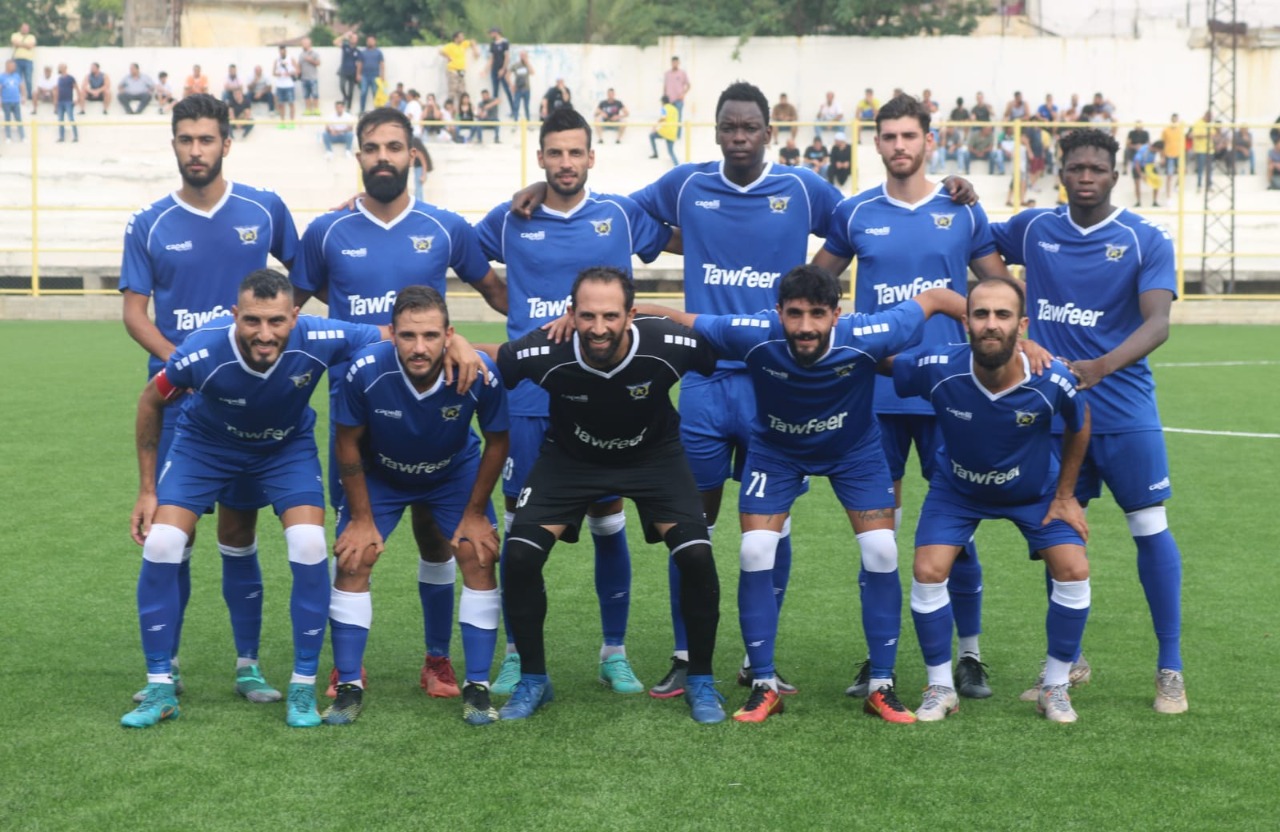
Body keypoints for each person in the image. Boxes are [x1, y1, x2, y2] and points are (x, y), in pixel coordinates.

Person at [641, 266, 964, 724]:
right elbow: (681, 318)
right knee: (755, 550)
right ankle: (763, 685)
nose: (805, 326)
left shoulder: (871, 333)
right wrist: (621, 312)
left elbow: (934, 296)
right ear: (778, 312)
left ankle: (881, 685)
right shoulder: (754, 334)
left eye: (817, 314)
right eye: (794, 314)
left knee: (882, 550)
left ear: (837, 313)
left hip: (854, 453)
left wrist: (994, 329)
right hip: (777, 453)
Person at [291, 110, 504, 685]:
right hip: (358, 422)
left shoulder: (445, 227)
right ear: (357, 155)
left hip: (433, 415)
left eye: (393, 146)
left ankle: (437, 660)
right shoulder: (326, 232)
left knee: (437, 542)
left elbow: (497, 292)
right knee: (352, 546)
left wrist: (474, 338)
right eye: (371, 147)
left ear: (414, 155)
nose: (382, 156)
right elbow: (288, 314)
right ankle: (345, 669)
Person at [813, 93, 1014, 704]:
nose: (899, 146)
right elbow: (813, 288)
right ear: (876, 143)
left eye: (909, 136)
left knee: (959, 531)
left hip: (951, 394)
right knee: (879, 536)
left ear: (929, 141)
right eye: (889, 136)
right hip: (875, 394)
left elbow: (999, 288)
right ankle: (881, 659)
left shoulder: (961, 209)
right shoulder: (854, 213)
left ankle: (969, 654)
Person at [121, 270, 385, 729]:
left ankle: (299, 687)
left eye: (277, 321)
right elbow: (151, 401)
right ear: (234, 315)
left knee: (308, 544)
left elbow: (395, 335)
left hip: (284, 449)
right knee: (162, 544)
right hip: (206, 448)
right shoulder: (201, 350)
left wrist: (459, 344)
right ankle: (161, 687)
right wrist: (147, 490)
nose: (265, 334)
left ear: (295, 316)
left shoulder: (320, 336)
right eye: (252, 321)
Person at [475, 107, 675, 697]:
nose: (565, 163)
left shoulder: (619, 215)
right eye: (555, 153)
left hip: (602, 395)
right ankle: (517, 653)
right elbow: (459, 253)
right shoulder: (509, 218)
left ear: (592, 156)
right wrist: (519, 313)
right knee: (519, 528)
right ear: (540, 157)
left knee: (607, 519)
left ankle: (614, 652)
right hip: (528, 397)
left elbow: (688, 235)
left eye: (575, 152)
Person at [991, 127, 1188, 715]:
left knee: (1148, 525)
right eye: (1075, 167)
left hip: (1124, 411)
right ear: (1060, 172)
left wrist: (1100, 367)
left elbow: (1158, 323)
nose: (1085, 177)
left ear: (1115, 175)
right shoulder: (1034, 228)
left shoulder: (1143, 238)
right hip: (1054, 414)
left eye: (1096, 169)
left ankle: (1170, 667)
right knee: (1058, 530)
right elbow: (976, 242)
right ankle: (1068, 663)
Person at [118, 93, 299, 707]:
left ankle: (247, 666)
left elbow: (305, 277)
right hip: (179, 403)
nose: (196, 150)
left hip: (249, 403)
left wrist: (269, 346)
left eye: (206, 139)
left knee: (239, 531)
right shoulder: (149, 223)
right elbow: (134, 313)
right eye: (185, 139)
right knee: (172, 538)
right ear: (174, 144)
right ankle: (163, 671)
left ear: (226, 142)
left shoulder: (264, 209)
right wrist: (186, 364)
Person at [486, 267, 726, 723]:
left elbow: (723, 352)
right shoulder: (547, 349)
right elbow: (497, 360)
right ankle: (534, 680)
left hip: (654, 459)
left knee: (696, 555)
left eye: (611, 316)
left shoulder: (667, 344)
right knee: (519, 556)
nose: (599, 328)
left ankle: (701, 680)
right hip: (570, 460)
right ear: (571, 314)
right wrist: (459, 346)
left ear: (631, 315)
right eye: (588, 316)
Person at [893, 276, 1093, 723]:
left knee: (1074, 570)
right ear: (965, 322)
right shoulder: (938, 366)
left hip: (1033, 492)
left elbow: (1080, 422)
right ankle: (941, 688)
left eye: (1003, 315)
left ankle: (1056, 686)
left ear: (1021, 326)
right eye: (981, 314)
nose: (991, 324)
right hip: (958, 490)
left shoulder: (1051, 378)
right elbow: (883, 363)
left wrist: (1065, 495)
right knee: (928, 571)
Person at [326, 286, 509, 726]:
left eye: (430, 335)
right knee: (354, 557)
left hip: (451, 473)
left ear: (449, 334)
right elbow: (346, 442)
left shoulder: (477, 372)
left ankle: (474, 685)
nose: (419, 347)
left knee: (478, 552)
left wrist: (475, 513)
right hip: (381, 474)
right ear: (392, 334)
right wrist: (362, 519)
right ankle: (348, 685)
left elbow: (498, 441)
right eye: (408, 335)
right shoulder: (365, 370)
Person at [440, 31, 479, 109]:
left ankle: (461, 110)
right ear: (456, 38)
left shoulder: (463, 44)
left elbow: (472, 41)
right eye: (461, 36)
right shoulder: (450, 46)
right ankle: (449, 109)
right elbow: (441, 52)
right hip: (452, 70)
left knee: (462, 91)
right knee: (452, 90)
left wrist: (475, 50)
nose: (463, 38)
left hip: (461, 70)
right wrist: (448, 57)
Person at [486, 27, 514, 115]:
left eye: (491, 33)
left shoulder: (505, 42)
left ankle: (513, 110)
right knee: (495, 91)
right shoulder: (492, 44)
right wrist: (486, 70)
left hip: (502, 69)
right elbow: (491, 59)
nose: (491, 35)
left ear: (496, 32)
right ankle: (494, 113)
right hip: (494, 70)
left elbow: (507, 57)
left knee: (507, 90)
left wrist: (503, 69)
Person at [357, 35, 384, 114]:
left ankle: (377, 111)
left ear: (375, 42)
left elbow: (381, 64)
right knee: (363, 92)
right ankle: (362, 110)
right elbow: (360, 64)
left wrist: (382, 75)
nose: (370, 42)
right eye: (368, 41)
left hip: (375, 76)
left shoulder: (378, 52)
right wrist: (358, 74)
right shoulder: (363, 52)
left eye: (371, 40)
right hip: (364, 76)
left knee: (375, 93)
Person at [10, 23, 34, 109]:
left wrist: (20, 44)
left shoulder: (31, 37)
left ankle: (29, 96)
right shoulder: (15, 35)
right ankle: (19, 95)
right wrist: (25, 45)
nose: (25, 30)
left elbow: (30, 46)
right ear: (21, 28)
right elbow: (14, 43)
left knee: (28, 79)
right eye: (24, 28)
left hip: (28, 60)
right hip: (17, 60)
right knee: (17, 79)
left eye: (27, 28)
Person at [648, 95, 679, 164]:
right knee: (671, 152)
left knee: (651, 136)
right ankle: (677, 165)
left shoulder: (664, 108)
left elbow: (663, 118)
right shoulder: (674, 109)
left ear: (663, 102)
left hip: (665, 131)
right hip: (673, 132)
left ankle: (655, 154)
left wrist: (655, 126)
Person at [1160, 113, 1184, 201]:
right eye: (1173, 119)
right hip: (1169, 154)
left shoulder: (1180, 130)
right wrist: (1162, 157)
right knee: (1169, 175)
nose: (1174, 121)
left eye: (1176, 119)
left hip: (1179, 154)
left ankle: (1177, 186)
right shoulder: (1166, 130)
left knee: (1182, 172)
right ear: (1171, 120)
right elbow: (1162, 144)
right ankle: (1168, 196)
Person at [272, 46, 297, 125]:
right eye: (280, 51)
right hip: (280, 85)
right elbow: (273, 72)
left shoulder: (291, 59)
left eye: (283, 51)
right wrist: (278, 74)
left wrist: (290, 73)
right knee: (281, 104)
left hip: (289, 85)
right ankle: (282, 122)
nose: (282, 53)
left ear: (286, 51)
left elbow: (297, 70)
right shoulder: (277, 60)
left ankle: (292, 122)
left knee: (291, 103)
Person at [53, 62, 78, 142]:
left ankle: (76, 136)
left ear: (65, 68)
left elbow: (77, 88)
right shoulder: (59, 79)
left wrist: (77, 99)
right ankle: (61, 137)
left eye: (61, 67)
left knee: (71, 118)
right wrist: (56, 103)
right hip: (60, 102)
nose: (59, 69)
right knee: (60, 120)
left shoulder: (70, 78)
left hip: (68, 101)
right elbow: (57, 91)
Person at [335, 30, 360, 110]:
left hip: (352, 72)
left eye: (355, 38)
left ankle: (349, 108)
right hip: (344, 71)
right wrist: (344, 35)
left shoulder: (357, 51)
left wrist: (358, 74)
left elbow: (359, 64)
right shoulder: (345, 46)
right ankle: (345, 97)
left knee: (351, 91)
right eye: (353, 38)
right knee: (342, 86)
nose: (354, 39)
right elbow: (335, 42)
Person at [1, 60, 25, 141]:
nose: (14, 68)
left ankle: (23, 136)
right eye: (13, 66)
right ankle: (8, 137)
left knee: (19, 119)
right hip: (6, 101)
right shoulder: (2, 76)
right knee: (7, 120)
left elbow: (21, 86)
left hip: (16, 101)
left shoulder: (17, 76)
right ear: (7, 66)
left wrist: (23, 97)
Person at [663, 56, 690, 124]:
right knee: (669, 119)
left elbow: (688, 85)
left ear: (678, 63)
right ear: (671, 63)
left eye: (676, 62)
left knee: (678, 119)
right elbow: (665, 86)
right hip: (668, 101)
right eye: (673, 62)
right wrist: (664, 98)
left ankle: (678, 131)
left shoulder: (682, 73)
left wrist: (683, 94)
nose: (674, 64)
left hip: (678, 100)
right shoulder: (667, 74)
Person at [297, 37, 320, 115]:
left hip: (313, 78)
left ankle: (316, 109)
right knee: (306, 95)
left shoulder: (315, 53)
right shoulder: (301, 54)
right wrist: (298, 72)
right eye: (302, 43)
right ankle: (308, 110)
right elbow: (299, 65)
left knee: (315, 94)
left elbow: (318, 63)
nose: (302, 45)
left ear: (309, 44)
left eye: (304, 43)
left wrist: (310, 60)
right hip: (304, 78)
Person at [508, 51, 534, 122]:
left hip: (526, 89)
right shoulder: (516, 65)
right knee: (516, 106)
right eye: (521, 55)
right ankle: (515, 121)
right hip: (518, 89)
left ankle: (528, 121)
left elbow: (532, 72)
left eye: (524, 55)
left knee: (526, 106)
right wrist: (511, 85)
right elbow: (507, 75)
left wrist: (527, 63)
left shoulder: (528, 65)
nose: (523, 57)